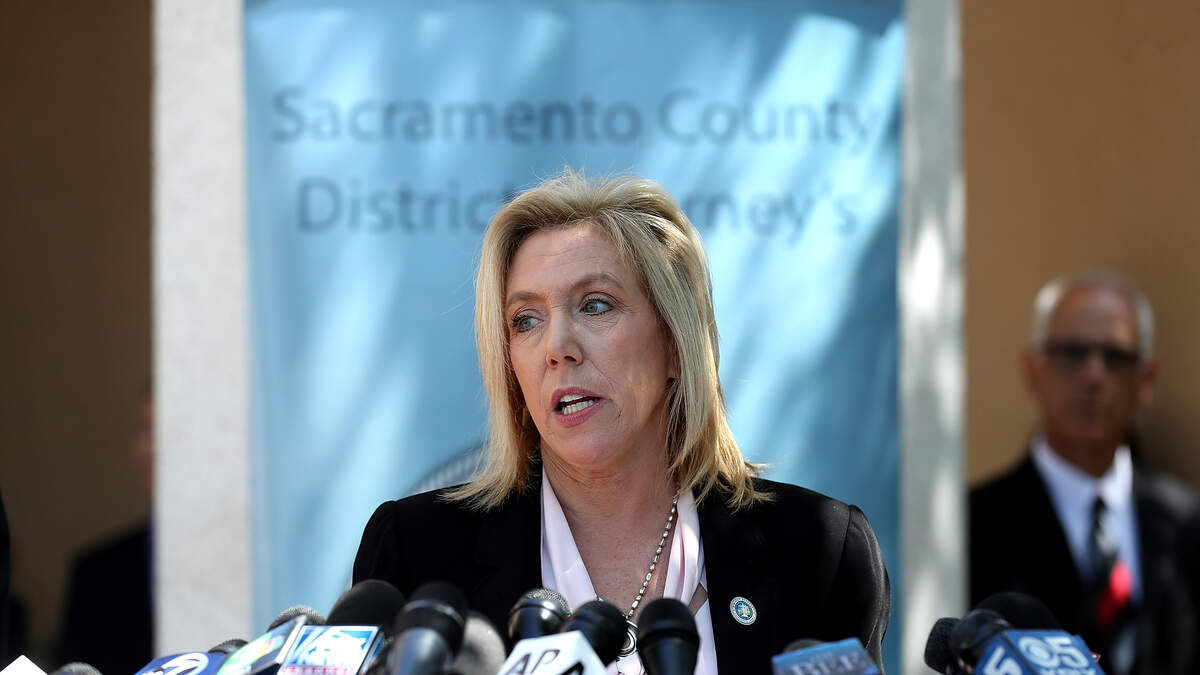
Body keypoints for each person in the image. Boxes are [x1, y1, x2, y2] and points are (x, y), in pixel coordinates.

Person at [354, 172, 890, 674]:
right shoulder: (417, 554)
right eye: (526, 320)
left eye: (595, 306)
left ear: (675, 344)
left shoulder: (818, 550)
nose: (557, 348)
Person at [970, 272, 1200, 675]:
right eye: (1072, 353)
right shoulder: (975, 526)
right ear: (1032, 371)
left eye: (1115, 357)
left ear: (1146, 380)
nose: (1094, 375)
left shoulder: (1188, 524)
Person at [57, 390, 154, 675]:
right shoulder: (95, 574)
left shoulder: (246, 564)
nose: (151, 448)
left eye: (165, 430)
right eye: (145, 429)